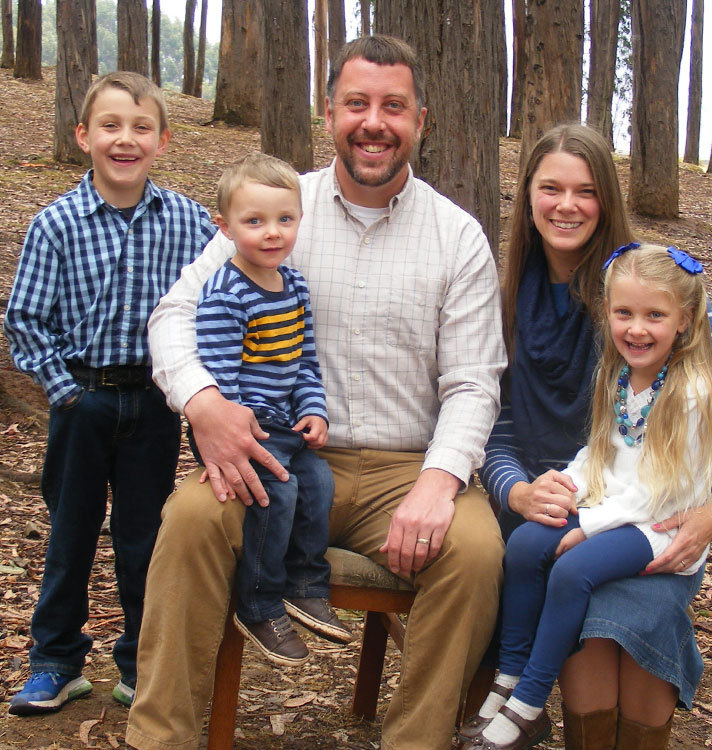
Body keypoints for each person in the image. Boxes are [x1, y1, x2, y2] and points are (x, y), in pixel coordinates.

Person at [125, 35, 506, 750]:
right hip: (276, 453)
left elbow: (473, 380)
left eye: (393, 107)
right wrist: (204, 404)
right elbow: (174, 314)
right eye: (356, 104)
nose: (374, 123)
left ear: (420, 120)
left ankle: (416, 742)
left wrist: (440, 481)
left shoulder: (456, 236)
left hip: (405, 470)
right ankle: (159, 739)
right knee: (193, 521)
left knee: (477, 552)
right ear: (328, 113)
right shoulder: (274, 208)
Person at [467, 124, 712, 749]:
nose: (567, 205)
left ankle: (531, 703)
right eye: (551, 188)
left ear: (606, 199)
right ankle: (509, 692)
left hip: (648, 514)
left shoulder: (652, 286)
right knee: (516, 560)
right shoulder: (503, 297)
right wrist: (516, 491)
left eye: (586, 191)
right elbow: (493, 425)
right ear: (527, 195)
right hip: (555, 499)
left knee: (611, 612)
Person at [4, 72, 216, 715]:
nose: (126, 140)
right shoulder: (56, 223)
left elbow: (216, 302)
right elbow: (25, 319)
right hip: (83, 400)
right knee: (70, 533)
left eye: (141, 127)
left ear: (163, 140)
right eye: (111, 126)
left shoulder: (187, 222)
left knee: (144, 538)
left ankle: (139, 663)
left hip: (153, 404)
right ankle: (56, 661)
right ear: (83, 135)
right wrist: (64, 392)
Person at [193, 152, 349, 665]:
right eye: (254, 221)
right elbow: (219, 379)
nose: (272, 232)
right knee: (277, 494)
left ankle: (306, 584)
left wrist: (314, 410)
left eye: (285, 219)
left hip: (284, 422)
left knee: (318, 483)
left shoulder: (294, 286)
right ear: (225, 227)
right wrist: (237, 433)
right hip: (244, 425)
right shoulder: (226, 294)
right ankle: (259, 603)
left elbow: (304, 361)